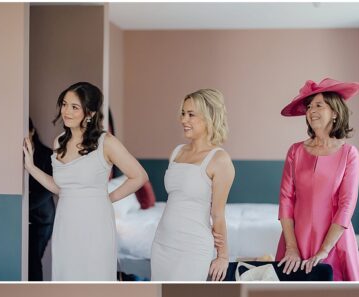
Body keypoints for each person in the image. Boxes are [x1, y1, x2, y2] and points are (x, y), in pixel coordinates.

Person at [23, 82, 147, 281]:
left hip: (95, 223)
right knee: (66, 276)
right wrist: (31, 168)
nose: (66, 111)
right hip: (65, 223)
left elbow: (139, 176)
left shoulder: (106, 143)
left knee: (93, 277)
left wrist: (107, 198)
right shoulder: (59, 142)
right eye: (64, 104)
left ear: (89, 113)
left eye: (74, 107)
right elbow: (59, 188)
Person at [275, 77, 359, 281]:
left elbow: (346, 206)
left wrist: (324, 251)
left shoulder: (349, 153)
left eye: (318, 105)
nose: (311, 111)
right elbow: (286, 200)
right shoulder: (295, 151)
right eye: (309, 106)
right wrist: (291, 247)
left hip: (334, 240)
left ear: (334, 112)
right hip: (296, 239)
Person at [151, 89, 235, 281]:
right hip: (162, 243)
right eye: (183, 113)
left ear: (209, 117)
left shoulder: (220, 159)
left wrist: (223, 256)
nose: (183, 120)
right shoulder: (177, 152)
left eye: (191, 115)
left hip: (193, 247)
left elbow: (218, 214)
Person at [27, 118, 56, 281]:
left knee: (33, 260)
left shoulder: (46, 155)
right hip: (25, 219)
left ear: (32, 131)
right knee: (27, 260)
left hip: (42, 220)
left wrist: (25, 205)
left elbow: (48, 189)